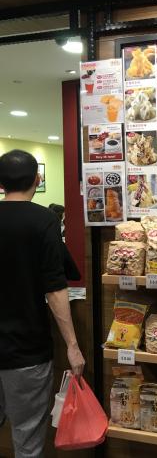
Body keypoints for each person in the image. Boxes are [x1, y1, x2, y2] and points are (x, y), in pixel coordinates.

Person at [0, 150, 85, 458]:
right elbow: (56, 289)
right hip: (26, 350)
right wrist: (72, 346)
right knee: (27, 441)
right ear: (37, 179)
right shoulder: (44, 220)